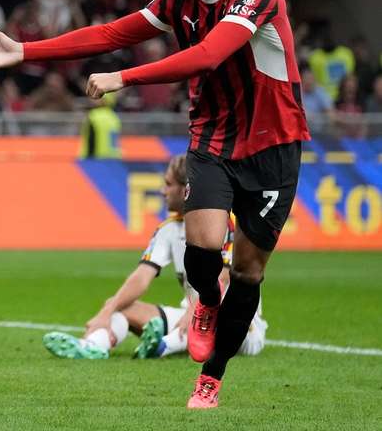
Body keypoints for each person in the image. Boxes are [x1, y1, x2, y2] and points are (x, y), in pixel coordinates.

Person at [0, 0, 309, 409]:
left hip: (273, 144)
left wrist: (121, 78)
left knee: (250, 272)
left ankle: (210, 379)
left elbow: (209, 55)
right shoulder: (180, 1)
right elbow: (111, 34)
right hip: (213, 139)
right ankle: (205, 307)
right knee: (202, 248)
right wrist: (25, 50)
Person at [42, 155, 267, 361]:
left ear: (187, 189)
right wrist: (106, 312)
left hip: (240, 326)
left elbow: (224, 275)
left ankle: (162, 346)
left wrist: (195, 311)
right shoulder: (169, 230)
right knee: (121, 307)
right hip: (193, 317)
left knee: (204, 324)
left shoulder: (223, 224)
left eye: (169, 184)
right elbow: (141, 277)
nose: (162, 190)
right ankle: (93, 345)